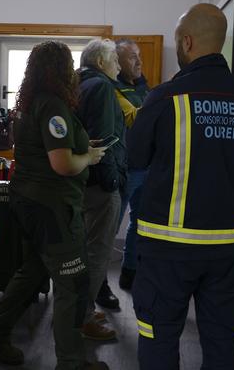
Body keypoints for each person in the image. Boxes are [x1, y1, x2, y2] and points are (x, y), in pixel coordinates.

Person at [128, 4, 234, 370]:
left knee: (160, 337)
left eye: (177, 41)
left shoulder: (165, 98)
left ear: (187, 41)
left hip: (168, 247)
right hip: (227, 248)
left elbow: (135, 157)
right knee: (221, 340)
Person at [0, 41, 108, 370]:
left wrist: (79, 145)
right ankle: (71, 361)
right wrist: (89, 156)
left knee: (33, 271)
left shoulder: (29, 103)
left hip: (27, 202)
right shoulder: (52, 106)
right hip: (52, 209)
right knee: (72, 284)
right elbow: (63, 164)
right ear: (62, 70)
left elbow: (49, 147)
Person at [75, 39, 127, 337]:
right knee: (97, 254)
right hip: (101, 186)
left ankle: (80, 310)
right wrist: (112, 182)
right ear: (100, 63)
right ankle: (82, 319)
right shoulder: (104, 87)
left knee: (84, 252)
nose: (118, 66)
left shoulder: (76, 85)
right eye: (115, 61)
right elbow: (105, 139)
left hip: (81, 182)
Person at [113, 39, 151, 290]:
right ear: (117, 63)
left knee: (140, 223)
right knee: (111, 225)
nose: (138, 62)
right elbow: (134, 119)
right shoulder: (112, 89)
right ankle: (98, 284)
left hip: (148, 167)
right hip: (125, 169)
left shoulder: (144, 88)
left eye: (138, 56)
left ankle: (130, 271)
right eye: (131, 57)